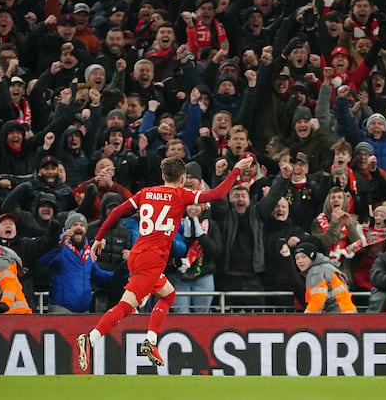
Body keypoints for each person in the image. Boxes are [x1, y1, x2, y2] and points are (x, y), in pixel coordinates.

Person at [76, 155, 253, 371]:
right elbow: (217, 194)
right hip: (151, 259)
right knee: (126, 305)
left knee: (168, 295)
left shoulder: (146, 193)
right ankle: (90, 338)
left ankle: (150, 342)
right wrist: (235, 171)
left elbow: (119, 211)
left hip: (139, 254)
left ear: (162, 175)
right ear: (183, 178)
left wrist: (99, 237)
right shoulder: (181, 195)